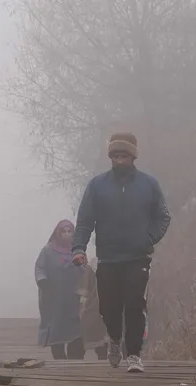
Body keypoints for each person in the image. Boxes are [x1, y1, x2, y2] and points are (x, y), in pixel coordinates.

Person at [71, 132, 171, 373]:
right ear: (110, 157)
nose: (119, 160)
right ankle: (114, 339)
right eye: (115, 156)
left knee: (136, 304)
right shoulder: (97, 185)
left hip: (138, 258)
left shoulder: (149, 184)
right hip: (108, 257)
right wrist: (79, 248)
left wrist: (149, 239)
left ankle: (134, 354)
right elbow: (85, 221)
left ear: (133, 157)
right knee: (109, 307)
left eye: (124, 155)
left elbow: (163, 216)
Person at [35, 219, 85, 359]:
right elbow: (40, 267)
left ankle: (75, 357)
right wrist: (43, 281)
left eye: (69, 231)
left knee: (75, 328)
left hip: (73, 296)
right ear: (58, 233)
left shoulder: (77, 250)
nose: (67, 234)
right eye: (64, 231)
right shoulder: (48, 250)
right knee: (56, 327)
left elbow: (84, 269)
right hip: (54, 296)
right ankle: (58, 356)